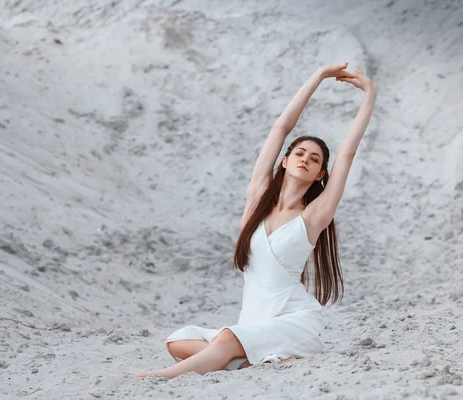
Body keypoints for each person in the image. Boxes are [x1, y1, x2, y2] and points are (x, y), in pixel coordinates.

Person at [134, 62, 377, 379]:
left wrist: (370, 93)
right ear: (286, 160)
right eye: (300, 153)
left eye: (314, 159)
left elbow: (347, 153)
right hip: (253, 324)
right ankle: (259, 359)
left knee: (224, 341)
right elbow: (280, 128)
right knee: (178, 341)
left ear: (320, 175)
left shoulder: (314, 215)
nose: (306, 159)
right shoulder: (257, 200)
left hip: (295, 321)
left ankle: (158, 377)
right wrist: (317, 76)